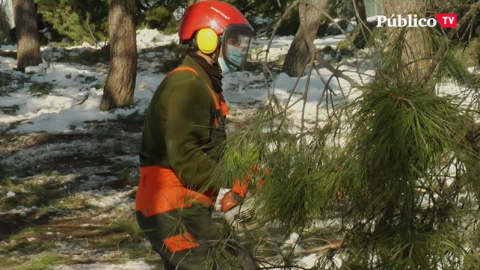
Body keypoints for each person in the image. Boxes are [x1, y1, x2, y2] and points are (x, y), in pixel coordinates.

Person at [135, 1, 253, 269]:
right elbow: (185, 157)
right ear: (207, 39)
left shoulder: (205, 85)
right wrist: (229, 176)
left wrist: (244, 169)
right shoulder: (187, 85)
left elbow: (210, 148)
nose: (240, 49)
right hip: (170, 209)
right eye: (234, 40)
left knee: (239, 260)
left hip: (188, 208)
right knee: (228, 265)